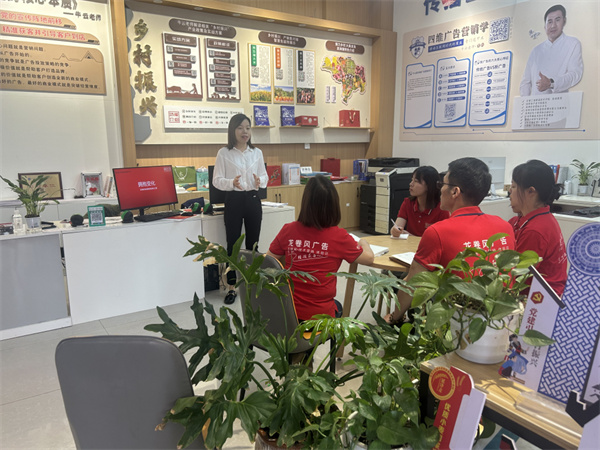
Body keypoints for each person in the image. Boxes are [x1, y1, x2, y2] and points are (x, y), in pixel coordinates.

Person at [385, 157, 516, 324]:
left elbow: (413, 283)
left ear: (455, 192)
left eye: (443, 184)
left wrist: (395, 317)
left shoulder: (438, 231)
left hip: (456, 320)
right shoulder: (505, 227)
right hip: (500, 319)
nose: (440, 190)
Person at [267, 175, 374, 321]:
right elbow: (369, 259)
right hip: (320, 319)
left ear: (306, 203)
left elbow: (268, 262)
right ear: (334, 205)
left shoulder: (288, 230)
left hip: (288, 314)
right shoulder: (340, 236)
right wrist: (364, 242)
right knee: (337, 306)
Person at [213, 113, 268, 304]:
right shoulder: (224, 153)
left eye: (248, 128)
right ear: (233, 130)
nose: (245, 132)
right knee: (233, 247)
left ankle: (251, 285)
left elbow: (264, 176)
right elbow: (216, 180)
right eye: (240, 128)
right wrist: (231, 183)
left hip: (253, 200)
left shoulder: (257, 152)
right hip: (234, 200)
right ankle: (231, 288)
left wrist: (260, 181)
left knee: (253, 246)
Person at [508, 160, 568, 296]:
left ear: (531, 191)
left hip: (540, 299)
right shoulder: (529, 219)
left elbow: (518, 277)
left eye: (514, 187)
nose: (509, 192)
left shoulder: (535, 230)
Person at [519, 4, 583, 96]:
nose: (553, 25)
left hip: (559, 102)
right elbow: (525, 82)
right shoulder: (536, 50)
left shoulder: (572, 43)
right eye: (549, 21)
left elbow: (575, 74)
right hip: (535, 103)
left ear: (564, 21)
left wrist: (551, 83)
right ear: (545, 26)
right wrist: (524, 102)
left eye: (557, 20)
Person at [391, 166, 449, 237]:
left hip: (428, 244)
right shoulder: (408, 203)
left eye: (416, 181)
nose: (411, 184)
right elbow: (398, 226)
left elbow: (442, 238)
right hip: (409, 244)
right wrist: (395, 231)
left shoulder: (442, 208)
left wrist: (411, 236)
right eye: (412, 180)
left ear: (429, 185)